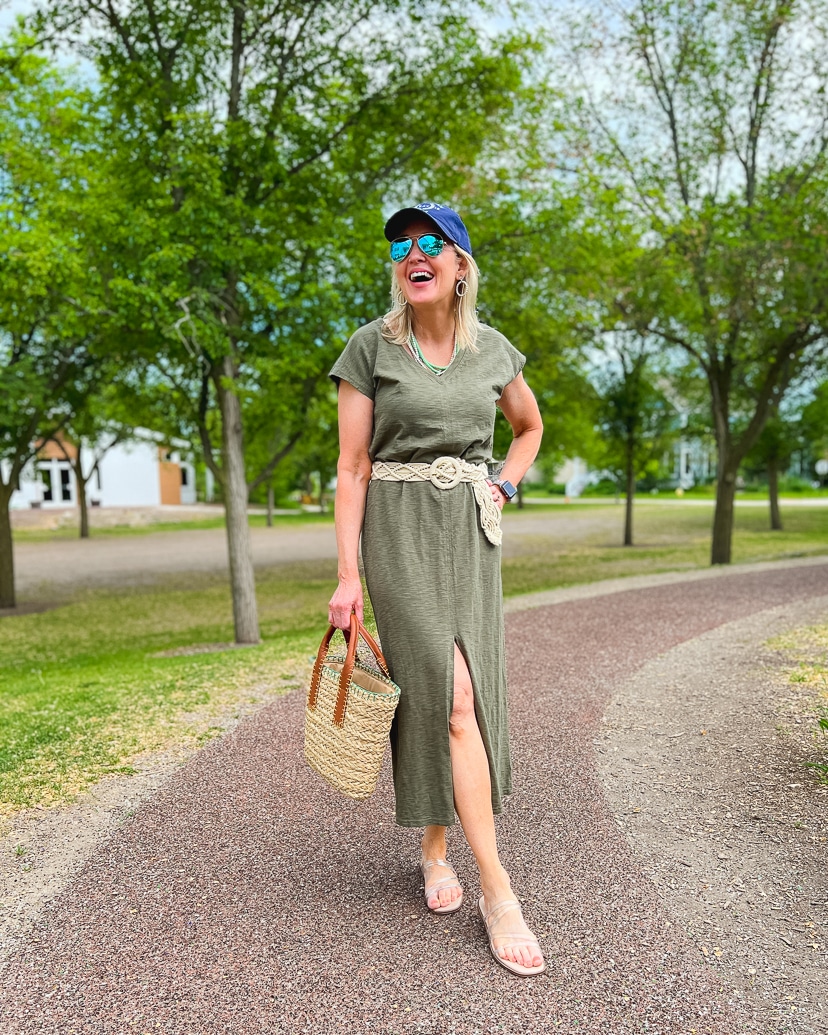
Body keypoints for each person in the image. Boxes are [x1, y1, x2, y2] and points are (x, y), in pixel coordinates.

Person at [327, 202, 545, 977]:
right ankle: (500, 889)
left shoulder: (493, 351)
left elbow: (528, 427)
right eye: (400, 245)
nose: (411, 254)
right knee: (446, 692)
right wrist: (349, 575)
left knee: (461, 692)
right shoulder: (370, 349)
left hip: (469, 533)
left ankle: (434, 848)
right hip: (397, 532)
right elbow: (353, 468)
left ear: (459, 266)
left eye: (429, 244)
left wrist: (505, 486)